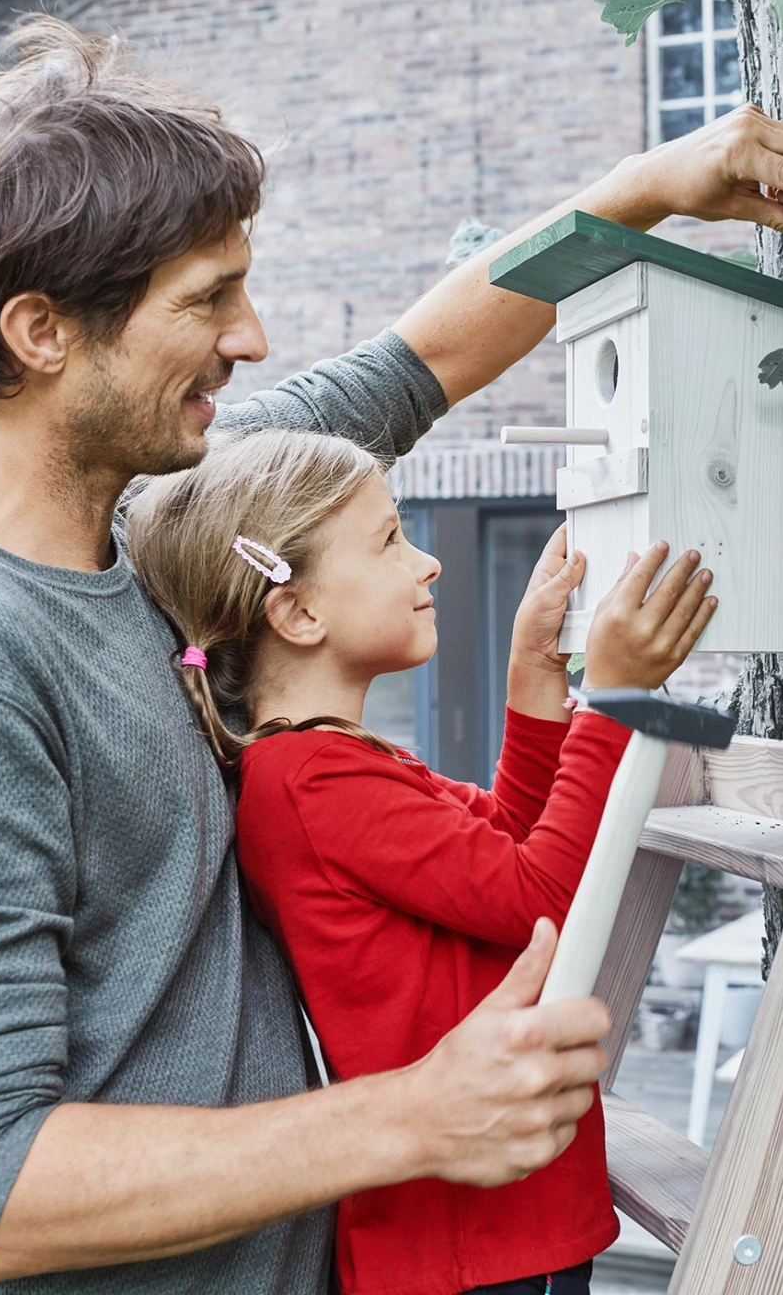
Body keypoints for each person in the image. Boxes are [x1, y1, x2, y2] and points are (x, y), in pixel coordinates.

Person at [0, 15, 783, 1295]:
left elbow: (415, 364)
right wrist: (412, 1115)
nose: (252, 336)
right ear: (42, 332)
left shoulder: (161, 516)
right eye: (206, 299)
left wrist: (651, 189)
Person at [126, 429, 717, 1295]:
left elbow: (512, 847)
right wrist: (617, 699)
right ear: (297, 614)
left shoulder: (341, 763)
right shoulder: (311, 783)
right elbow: (543, 898)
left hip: (494, 1227)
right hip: (471, 1245)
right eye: (390, 539)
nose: (429, 562)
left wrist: (531, 681)